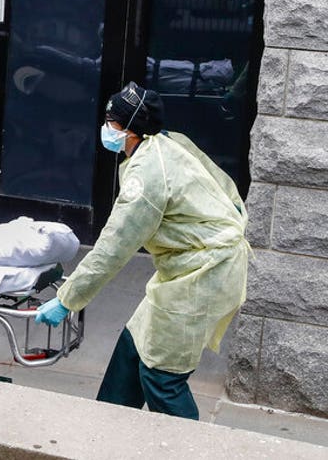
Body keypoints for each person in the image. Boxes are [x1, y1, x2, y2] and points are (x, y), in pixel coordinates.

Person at [35, 81, 249, 420]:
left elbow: (112, 249)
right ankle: (103, 436)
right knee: (133, 349)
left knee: (162, 375)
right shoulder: (169, 143)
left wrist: (67, 299)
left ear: (131, 130)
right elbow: (222, 182)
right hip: (191, 268)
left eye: (112, 123)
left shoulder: (146, 177)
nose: (107, 129)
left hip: (204, 275)